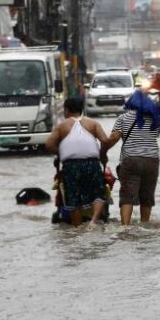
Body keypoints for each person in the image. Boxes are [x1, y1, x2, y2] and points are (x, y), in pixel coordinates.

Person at [45, 97, 111, 227]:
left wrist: (61, 153)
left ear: (67, 110)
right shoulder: (93, 123)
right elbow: (105, 140)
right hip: (92, 164)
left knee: (73, 198)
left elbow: (49, 144)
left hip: (71, 166)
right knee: (98, 193)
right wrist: (102, 154)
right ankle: (93, 221)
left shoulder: (62, 126)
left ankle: (77, 228)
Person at [105, 89, 160, 225]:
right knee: (147, 196)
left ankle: (125, 227)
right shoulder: (154, 118)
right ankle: (144, 225)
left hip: (131, 160)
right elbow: (158, 132)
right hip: (152, 160)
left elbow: (114, 138)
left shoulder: (123, 118)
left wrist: (103, 151)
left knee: (127, 195)